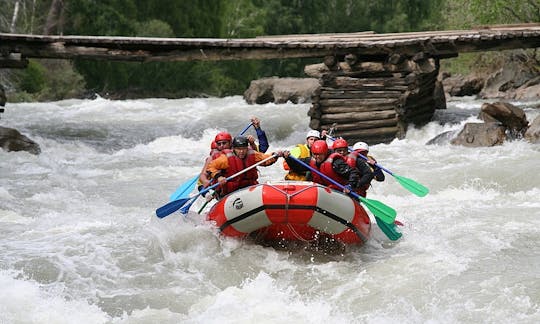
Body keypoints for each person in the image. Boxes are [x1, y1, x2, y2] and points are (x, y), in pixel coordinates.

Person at [206, 136, 282, 198]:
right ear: (234, 149)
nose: (241, 152)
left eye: (244, 149)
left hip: (249, 187)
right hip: (231, 192)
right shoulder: (225, 159)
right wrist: (218, 177)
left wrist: (276, 155)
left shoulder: (252, 154)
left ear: (247, 148)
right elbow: (210, 167)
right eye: (238, 149)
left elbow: (266, 160)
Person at [283, 140, 360, 193]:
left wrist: (350, 185)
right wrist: (288, 158)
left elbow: (353, 172)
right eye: (315, 154)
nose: (317, 157)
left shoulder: (335, 162)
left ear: (325, 153)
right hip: (323, 191)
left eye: (320, 154)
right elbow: (297, 167)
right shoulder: (312, 160)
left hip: (338, 191)